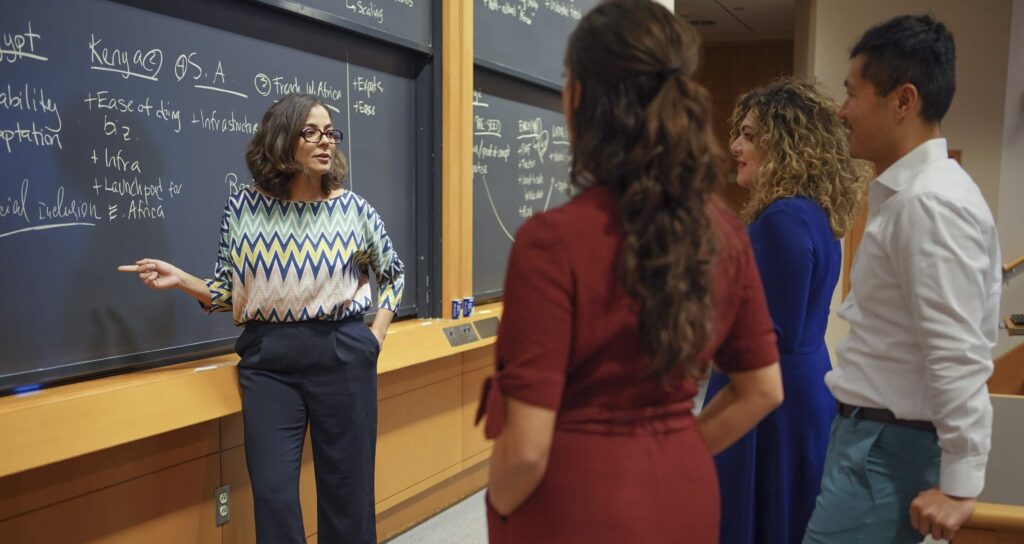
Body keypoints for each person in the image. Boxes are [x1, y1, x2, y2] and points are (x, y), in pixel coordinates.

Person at [476, 1, 784, 541]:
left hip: (575, 507)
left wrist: (499, 509)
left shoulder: (551, 242)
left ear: (580, 99)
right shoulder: (724, 232)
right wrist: (678, 448)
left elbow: (524, 451)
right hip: (687, 495)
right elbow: (763, 389)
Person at [119, 93, 405, 543]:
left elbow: (393, 274)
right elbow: (228, 292)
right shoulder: (244, 209)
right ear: (281, 139)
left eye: (331, 132)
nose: (325, 141)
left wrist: (375, 336)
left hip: (343, 351)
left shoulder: (353, 210)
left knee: (347, 492)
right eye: (311, 131)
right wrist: (181, 280)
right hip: (269, 361)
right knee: (272, 494)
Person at [803, 15, 1001, 544]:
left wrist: (961, 486)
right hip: (874, 442)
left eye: (852, 94)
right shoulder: (912, 195)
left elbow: (957, 350)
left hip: (888, 451)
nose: (842, 112)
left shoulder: (930, 203)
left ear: (903, 100)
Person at [702, 79, 868, 544]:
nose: (734, 145)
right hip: (800, 390)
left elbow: (760, 340)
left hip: (768, 406)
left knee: (758, 522)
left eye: (750, 135)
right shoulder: (813, 214)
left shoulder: (783, 219)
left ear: (788, 142)